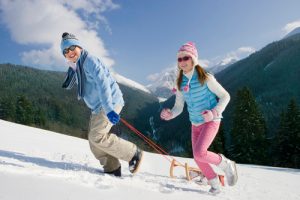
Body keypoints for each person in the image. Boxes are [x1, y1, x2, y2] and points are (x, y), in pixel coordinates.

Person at [60, 32, 143, 177]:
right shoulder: (77, 65)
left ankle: (133, 153)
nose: (70, 52)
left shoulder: (89, 61)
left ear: (79, 47)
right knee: (94, 141)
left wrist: (109, 108)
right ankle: (112, 167)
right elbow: (69, 84)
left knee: (98, 136)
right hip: (97, 107)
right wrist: (72, 70)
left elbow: (103, 84)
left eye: (72, 48)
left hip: (109, 102)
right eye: (65, 51)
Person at [160, 42, 238, 194]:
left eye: (186, 58)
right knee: (197, 157)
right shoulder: (180, 83)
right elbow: (178, 107)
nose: (182, 62)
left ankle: (227, 164)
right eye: (179, 59)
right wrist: (170, 114)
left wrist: (214, 113)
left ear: (193, 59)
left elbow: (225, 96)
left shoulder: (205, 78)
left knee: (200, 152)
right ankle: (215, 184)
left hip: (211, 121)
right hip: (195, 123)